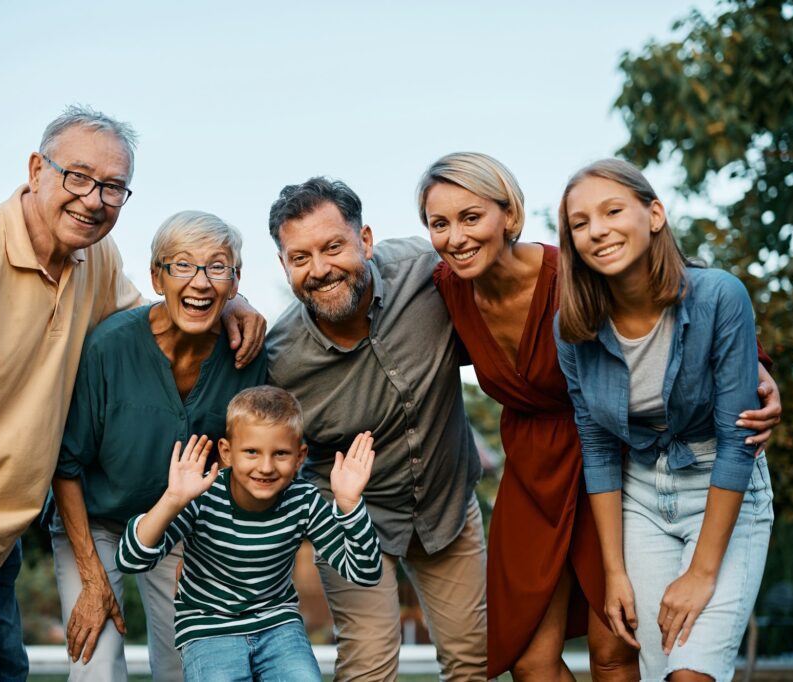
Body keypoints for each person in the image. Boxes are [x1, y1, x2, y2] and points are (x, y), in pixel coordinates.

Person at [0, 105, 265, 681]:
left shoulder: (94, 256)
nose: (93, 199)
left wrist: (229, 298)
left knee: (5, 672)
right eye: (78, 176)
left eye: (113, 187)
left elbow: (153, 315)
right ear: (35, 170)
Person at [416, 152, 782, 681]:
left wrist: (761, 369)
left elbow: (676, 292)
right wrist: (244, 304)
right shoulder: (449, 288)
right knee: (530, 659)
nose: (455, 236)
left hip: (617, 458)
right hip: (543, 471)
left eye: (471, 217)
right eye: (439, 223)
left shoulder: (574, 273)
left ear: (510, 216)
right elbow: (372, 266)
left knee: (617, 650)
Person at [554, 159, 775, 682]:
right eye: (580, 223)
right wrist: (614, 574)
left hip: (723, 494)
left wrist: (702, 573)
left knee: (690, 674)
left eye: (612, 211)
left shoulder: (720, 295)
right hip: (641, 501)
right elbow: (599, 449)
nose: (597, 230)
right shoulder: (574, 329)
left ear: (654, 214)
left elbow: (738, 440)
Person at [266, 177, 487, 681]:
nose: (319, 269)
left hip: (447, 503)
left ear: (364, 240)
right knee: (367, 666)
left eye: (332, 247)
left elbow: (501, 266)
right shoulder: (279, 361)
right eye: (300, 258)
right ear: (284, 266)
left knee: (475, 659)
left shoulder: (426, 270)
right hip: (351, 521)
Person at [47, 210, 267, 681]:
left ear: (235, 281)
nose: (201, 282)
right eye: (182, 265)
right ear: (157, 276)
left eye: (217, 267)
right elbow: (65, 466)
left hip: (180, 527)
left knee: (188, 663)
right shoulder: (109, 347)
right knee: (97, 660)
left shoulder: (246, 356)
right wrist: (92, 578)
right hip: (95, 521)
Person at [115, 386, 383, 682]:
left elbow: (365, 572)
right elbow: (131, 560)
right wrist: (173, 499)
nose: (266, 467)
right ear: (227, 453)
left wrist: (349, 504)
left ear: (299, 457)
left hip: (278, 624)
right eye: (252, 452)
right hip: (208, 627)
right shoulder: (201, 496)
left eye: (280, 453)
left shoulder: (303, 500)